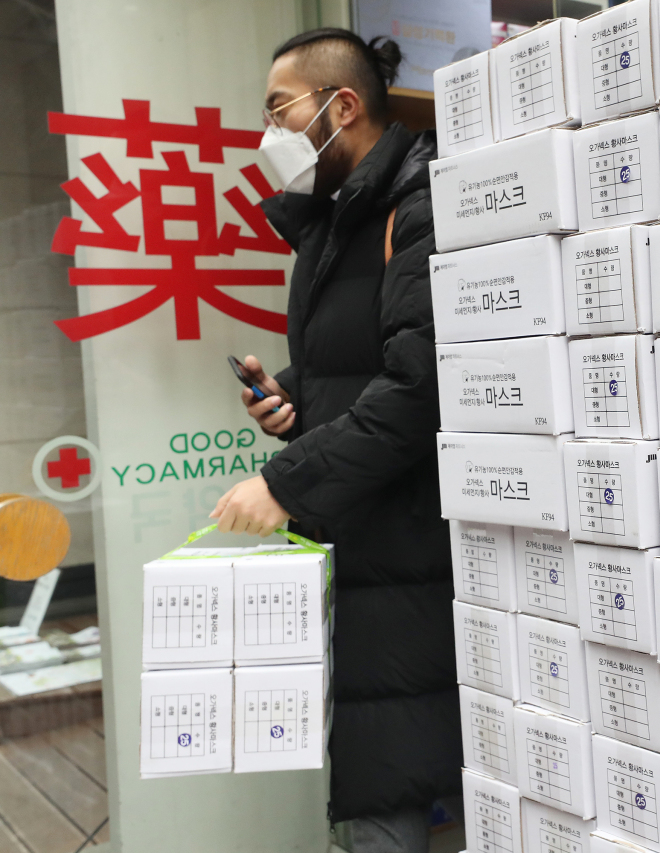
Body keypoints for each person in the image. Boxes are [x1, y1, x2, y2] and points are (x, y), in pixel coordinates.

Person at [210, 28, 460, 852]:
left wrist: (287, 482)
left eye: (279, 110)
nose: (267, 134)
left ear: (340, 105)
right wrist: (294, 393)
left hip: (411, 553)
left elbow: (419, 387)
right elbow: (363, 362)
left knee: (392, 780)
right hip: (363, 547)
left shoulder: (420, 205)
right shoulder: (333, 219)